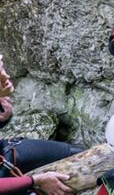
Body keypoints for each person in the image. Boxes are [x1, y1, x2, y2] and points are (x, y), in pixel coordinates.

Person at [0, 55, 77, 195]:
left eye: (2, 67)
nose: (6, 75)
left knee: (75, 153)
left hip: (3, 154)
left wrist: (3, 118)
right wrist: (35, 181)